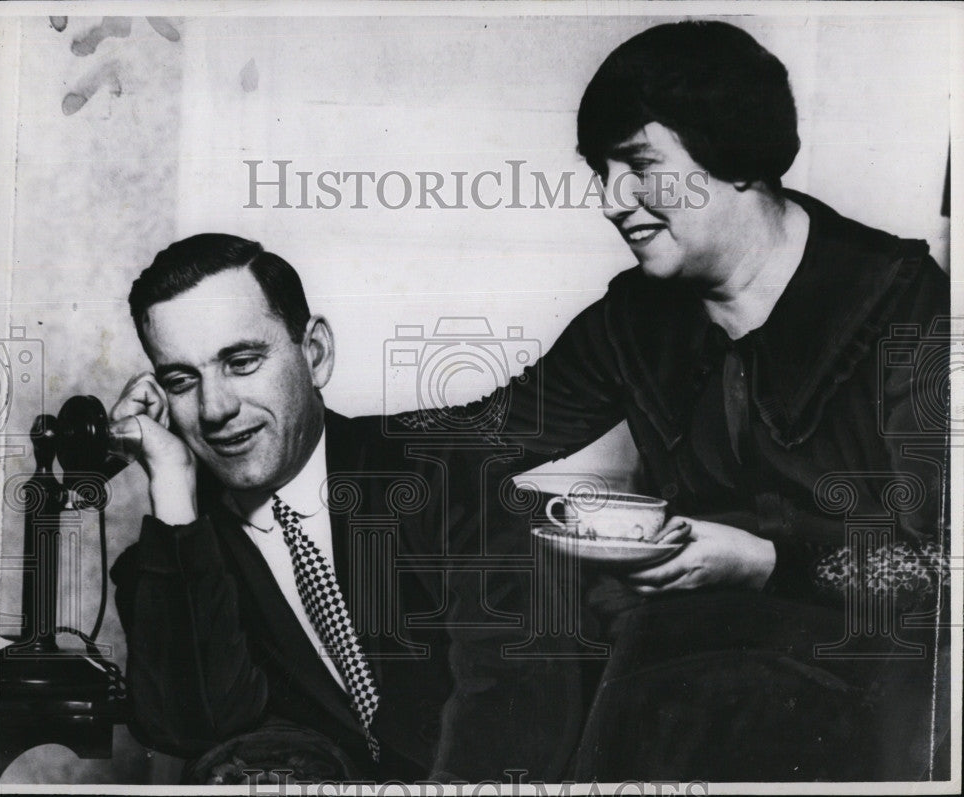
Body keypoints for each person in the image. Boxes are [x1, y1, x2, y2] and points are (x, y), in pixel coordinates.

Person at [394, 21, 951, 780]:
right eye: (602, 170)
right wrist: (300, 437)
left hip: (856, 663)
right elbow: (485, 434)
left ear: (736, 155)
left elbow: (941, 568)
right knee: (504, 543)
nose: (612, 200)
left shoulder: (908, 306)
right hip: (680, 641)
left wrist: (763, 561)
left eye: (639, 164)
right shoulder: (634, 319)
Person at [108, 234, 582, 782]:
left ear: (315, 354)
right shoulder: (169, 558)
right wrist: (171, 479)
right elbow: (190, 730)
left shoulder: (438, 472)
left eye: (241, 362)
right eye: (181, 380)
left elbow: (515, 688)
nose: (215, 408)